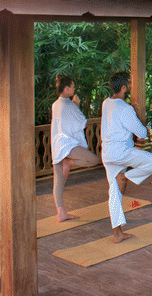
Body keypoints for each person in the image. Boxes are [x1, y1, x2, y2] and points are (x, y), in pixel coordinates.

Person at [101, 71, 152, 243]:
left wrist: (130, 111)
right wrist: (133, 113)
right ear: (123, 87)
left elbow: (118, 115)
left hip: (107, 154)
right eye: (128, 84)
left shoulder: (106, 103)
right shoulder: (126, 109)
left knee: (114, 192)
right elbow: (142, 133)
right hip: (123, 153)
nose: (129, 86)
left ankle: (118, 234)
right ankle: (125, 176)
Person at [50, 74, 101, 222]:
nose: (74, 89)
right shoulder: (69, 105)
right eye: (72, 87)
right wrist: (76, 104)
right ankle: (70, 162)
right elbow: (81, 121)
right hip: (68, 146)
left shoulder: (55, 104)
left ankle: (61, 213)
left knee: (59, 180)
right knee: (94, 159)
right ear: (66, 89)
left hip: (57, 145)